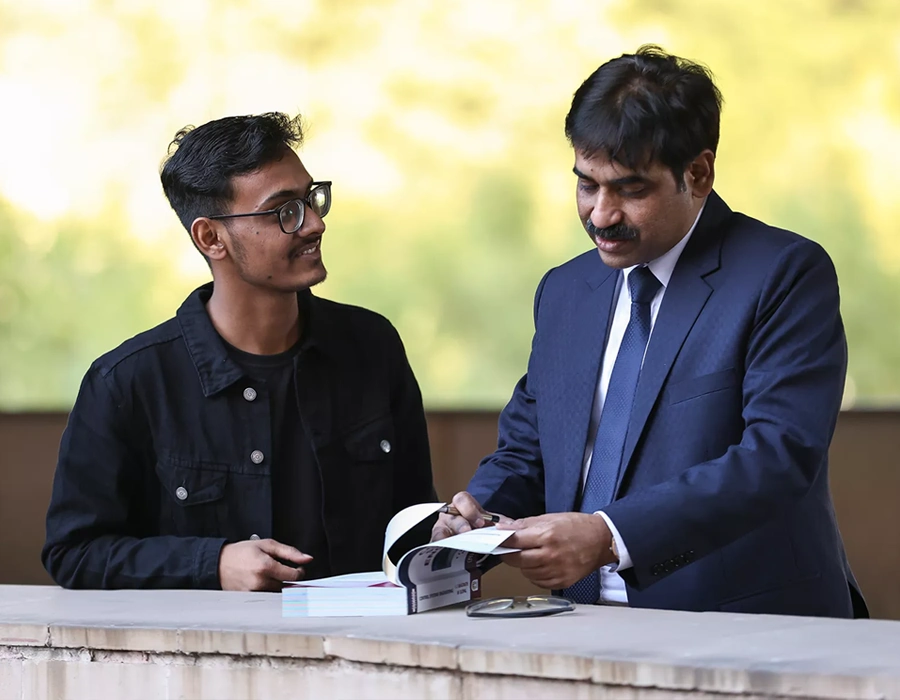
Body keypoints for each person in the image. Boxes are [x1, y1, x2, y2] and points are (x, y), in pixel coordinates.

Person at [434, 47, 867, 618]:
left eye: (631, 189)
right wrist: (474, 517)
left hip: (745, 627)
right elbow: (528, 450)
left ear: (699, 173)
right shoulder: (565, 291)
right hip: (574, 622)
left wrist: (608, 536)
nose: (601, 214)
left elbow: (776, 458)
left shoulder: (783, 273)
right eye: (586, 184)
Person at [43, 112, 436, 591]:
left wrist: (453, 533)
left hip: (361, 652)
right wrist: (213, 563)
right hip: (208, 663)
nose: (314, 224)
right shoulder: (128, 382)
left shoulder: (373, 346)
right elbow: (74, 553)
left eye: (312, 199)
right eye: (284, 211)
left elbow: (413, 521)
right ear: (211, 238)